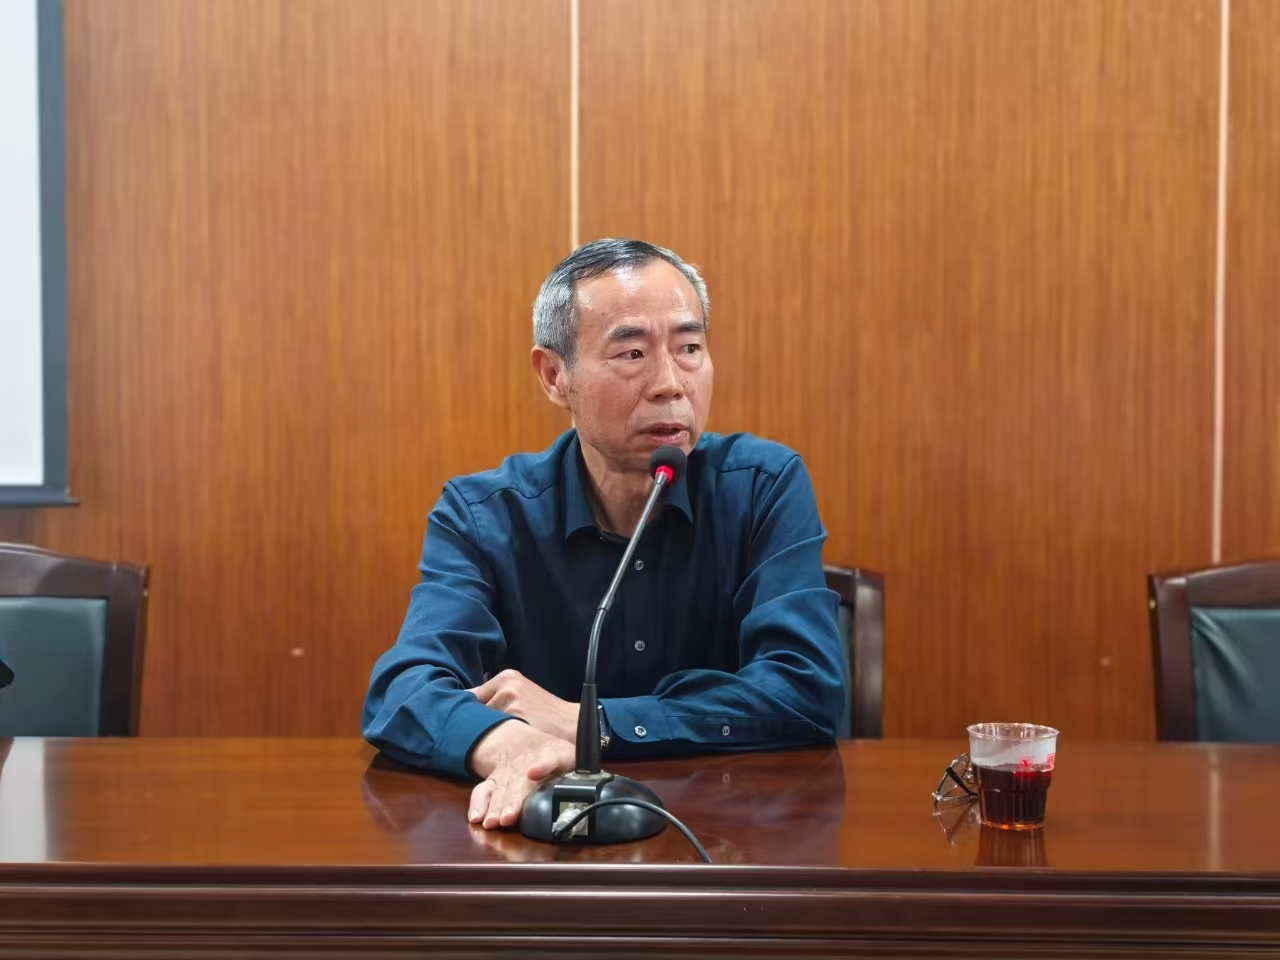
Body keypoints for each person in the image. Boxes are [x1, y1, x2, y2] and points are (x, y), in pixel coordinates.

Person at [362, 238, 844, 830]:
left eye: (690, 348)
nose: (671, 383)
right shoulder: (484, 516)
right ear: (554, 376)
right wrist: (510, 744)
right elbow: (404, 691)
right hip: (540, 844)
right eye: (632, 353)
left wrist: (593, 723)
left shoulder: (762, 487)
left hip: (720, 841)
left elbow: (805, 689)